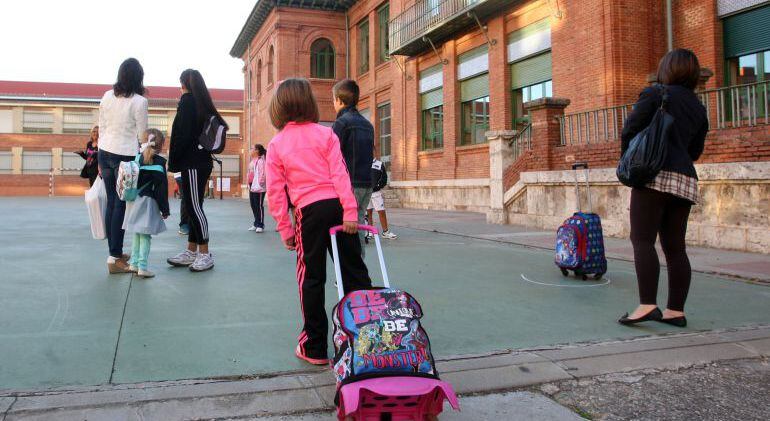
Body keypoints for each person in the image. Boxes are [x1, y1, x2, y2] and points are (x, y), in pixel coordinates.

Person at [266, 78, 372, 365]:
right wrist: (350, 212)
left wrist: (286, 229)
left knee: (311, 278)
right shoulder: (326, 134)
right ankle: (367, 336)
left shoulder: (277, 144)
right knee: (354, 272)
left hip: (308, 213)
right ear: (310, 102)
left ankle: (314, 346)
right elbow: (340, 174)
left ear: (278, 108)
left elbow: (276, 192)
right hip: (337, 208)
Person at [618, 49, 708, 328]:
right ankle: (675, 311)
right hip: (685, 180)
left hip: (653, 175)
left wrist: (629, 158)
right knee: (676, 248)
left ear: (666, 69)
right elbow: (695, 150)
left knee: (642, 240)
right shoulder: (698, 107)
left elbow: (630, 130)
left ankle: (647, 305)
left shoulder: (656, 94)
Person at [167, 69, 227, 272]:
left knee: (193, 207)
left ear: (183, 84)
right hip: (201, 161)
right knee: (195, 206)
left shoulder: (187, 102)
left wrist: (173, 162)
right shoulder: (201, 102)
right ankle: (192, 251)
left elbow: (181, 136)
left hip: (191, 163)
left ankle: (204, 253)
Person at [98, 58, 148, 274]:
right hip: (125, 155)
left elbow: (102, 126)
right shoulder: (139, 101)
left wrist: (100, 155)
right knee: (120, 205)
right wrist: (147, 154)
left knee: (112, 203)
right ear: (139, 77)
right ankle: (114, 257)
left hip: (104, 152)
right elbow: (143, 134)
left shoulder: (107, 96)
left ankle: (114, 253)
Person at [332, 79, 374, 254]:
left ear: (339, 100)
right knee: (358, 224)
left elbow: (333, 155)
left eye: (333, 100)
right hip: (366, 183)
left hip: (349, 185)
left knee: (347, 228)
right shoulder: (367, 124)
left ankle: (351, 268)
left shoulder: (341, 123)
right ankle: (358, 265)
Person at [123, 129, 170, 278]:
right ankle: (142, 267)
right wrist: (165, 209)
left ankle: (133, 264)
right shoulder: (160, 162)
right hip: (147, 202)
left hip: (133, 200)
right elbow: (161, 189)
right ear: (161, 145)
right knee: (145, 235)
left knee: (137, 233)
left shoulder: (138, 158)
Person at [365, 157, 397, 240]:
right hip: (366, 193)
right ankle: (370, 232)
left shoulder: (379, 164)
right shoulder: (363, 163)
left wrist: (377, 186)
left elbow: (384, 178)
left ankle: (385, 232)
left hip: (376, 193)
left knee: (381, 211)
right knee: (368, 213)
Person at [247, 144, 267, 233]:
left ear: (257, 150)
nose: (250, 150)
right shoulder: (252, 161)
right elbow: (249, 173)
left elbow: (263, 173)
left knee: (258, 205)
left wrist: (260, 184)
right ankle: (256, 223)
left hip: (259, 187)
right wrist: (248, 184)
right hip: (252, 185)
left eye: (252, 148)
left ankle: (260, 225)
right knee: (253, 205)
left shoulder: (261, 161)